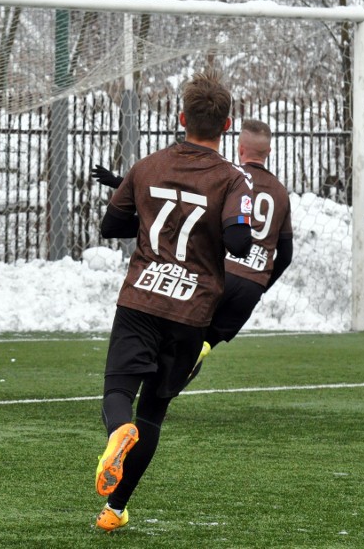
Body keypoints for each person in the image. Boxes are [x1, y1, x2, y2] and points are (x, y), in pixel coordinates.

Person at [93, 70, 254, 532]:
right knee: (153, 412)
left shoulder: (148, 166)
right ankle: (115, 509)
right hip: (191, 310)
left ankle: (116, 433)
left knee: (119, 393)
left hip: (141, 299)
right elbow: (239, 243)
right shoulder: (232, 179)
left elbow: (112, 226)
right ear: (226, 126)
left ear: (181, 118)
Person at [92, 118, 293, 380]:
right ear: (269, 152)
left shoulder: (229, 177)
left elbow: (182, 201)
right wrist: (260, 286)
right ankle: (195, 355)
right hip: (251, 285)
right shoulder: (280, 192)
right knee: (203, 342)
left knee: (179, 332)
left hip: (222, 272)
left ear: (240, 148)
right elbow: (285, 255)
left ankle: (154, 381)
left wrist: (121, 181)